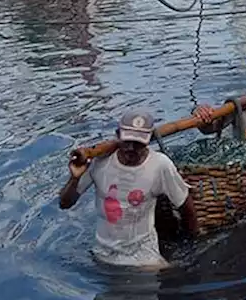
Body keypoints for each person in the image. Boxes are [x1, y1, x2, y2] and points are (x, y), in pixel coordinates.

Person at [59, 110, 197, 267]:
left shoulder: (160, 165)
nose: (131, 148)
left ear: (148, 139)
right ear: (118, 135)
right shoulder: (99, 162)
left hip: (144, 258)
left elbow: (186, 207)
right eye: (127, 141)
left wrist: (190, 247)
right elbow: (64, 204)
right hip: (102, 255)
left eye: (138, 144)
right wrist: (74, 178)